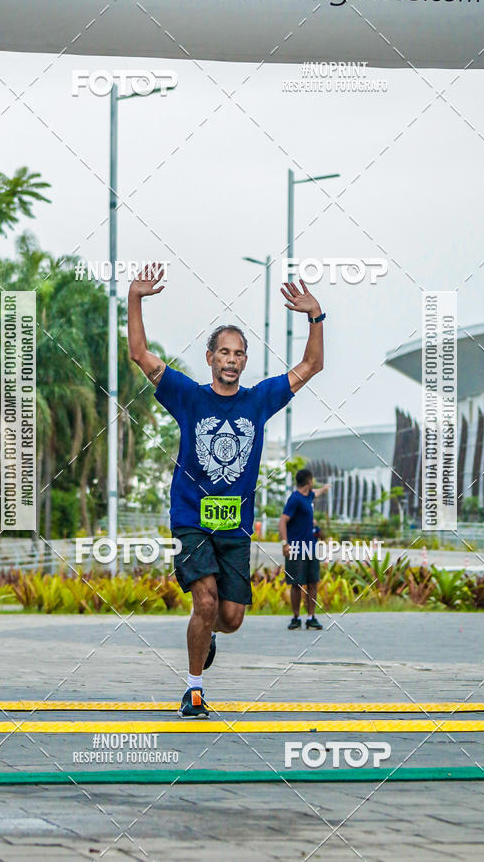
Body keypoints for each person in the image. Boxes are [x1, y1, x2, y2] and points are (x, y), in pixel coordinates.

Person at [127, 264, 325, 716]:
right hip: (191, 518)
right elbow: (139, 353)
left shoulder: (259, 400)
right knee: (207, 599)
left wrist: (316, 317)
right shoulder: (188, 396)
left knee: (230, 617)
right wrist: (136, 298)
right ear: (211, 358)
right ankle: (194, 691)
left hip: (234, 524)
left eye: (238, 353)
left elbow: (312, 365)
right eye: (224, 352)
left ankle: (208, 634)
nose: (231, 360)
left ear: (244, 361)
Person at [279, 469, 328, 630]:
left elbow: (316, 492)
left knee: (313, 582)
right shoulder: (295, 499)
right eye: (312, 480)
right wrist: (285, 543)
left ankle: (311, 617)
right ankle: (296, 618)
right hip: (296, 548)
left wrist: (325, 488)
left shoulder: (308, 497)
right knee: (296, 584)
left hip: (310, 547)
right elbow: (283, 520)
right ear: (309, 481)